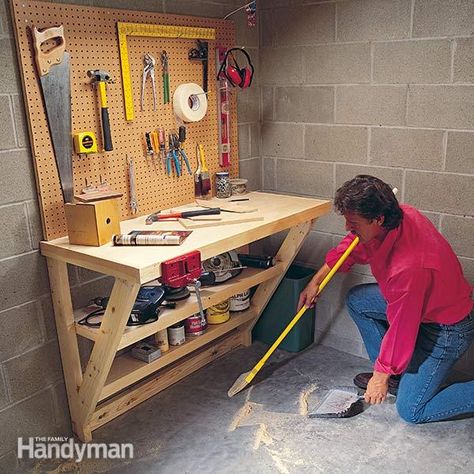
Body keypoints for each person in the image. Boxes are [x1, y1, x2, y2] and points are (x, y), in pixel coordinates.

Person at [298, 175, 474, 423]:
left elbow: (403, 326)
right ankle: (396, 374)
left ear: (378, 219)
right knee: (359, 301)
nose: (348, 227)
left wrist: (380, 377)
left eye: (353, 222)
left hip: (446, 331)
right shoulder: (396, 216)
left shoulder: (409, 266)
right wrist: (315, 281)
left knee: (412, 411)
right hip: (422, 306)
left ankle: (392, 373)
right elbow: (352, 245)